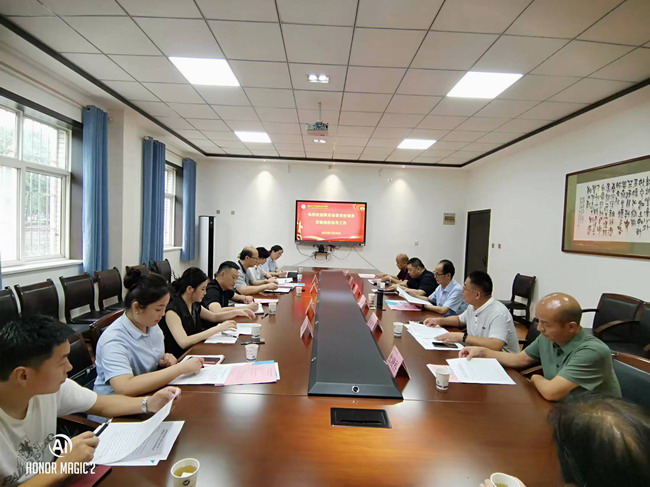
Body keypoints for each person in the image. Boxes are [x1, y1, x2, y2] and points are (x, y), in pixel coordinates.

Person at [0, 315, 179, 486]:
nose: (69, 367)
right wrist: (61, 468)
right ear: (23, 375)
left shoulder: (49, 388)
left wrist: (148, 403)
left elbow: (101, 404)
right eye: (61, 362)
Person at [460, 293, 621, 401]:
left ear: (571, 327)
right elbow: (519, 360)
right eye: (538, 321)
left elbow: (551, 392)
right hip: (564, 408)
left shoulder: (592, 351)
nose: (539, 328)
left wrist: (535, 377)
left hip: (598, 421)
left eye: (545, 324)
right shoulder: (549, 337)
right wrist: (483, 351)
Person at [94, 269, 204, 397]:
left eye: (165, 307)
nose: (163, 314)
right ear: (136, 307)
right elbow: (124, 387)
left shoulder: (151, 325)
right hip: (118, 404)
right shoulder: (114, 340)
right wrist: (179, 369)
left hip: (149, 394)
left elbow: (148, 363)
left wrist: (162, 361)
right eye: (158, 309)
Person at [425, 271, 518, 352]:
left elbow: (496, 345)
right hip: (477, 352)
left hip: (500, 361)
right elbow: (459, 320)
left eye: (465, 288)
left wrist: (462, 337)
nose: (462, 291)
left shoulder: (499, 313)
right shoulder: (472, 306)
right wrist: (438, 321)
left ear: (477, 295)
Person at [158, 267, 239, 358]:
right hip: (181, 358)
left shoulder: (194, 304)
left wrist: (237, 312)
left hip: (195, 350)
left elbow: (214, 317)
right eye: (202, 289)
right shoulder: (172, 310)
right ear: (190, 289)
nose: (205, 293)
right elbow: (184, 342)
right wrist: (217, 329)